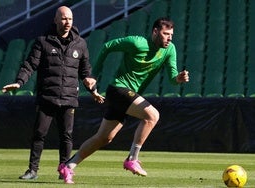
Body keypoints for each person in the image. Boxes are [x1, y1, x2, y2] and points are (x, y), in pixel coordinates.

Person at [58, 17, 189, 184]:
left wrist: (178, 78)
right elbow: (107, 46)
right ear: (155, 32)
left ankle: (68, 166)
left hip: (127, 95)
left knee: (104, 138)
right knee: (152, 116)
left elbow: (172, 77)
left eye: (171, 34)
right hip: (118, 90)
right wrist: (93, 74)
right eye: (165, 34)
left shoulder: (170, 49)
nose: (169, 38)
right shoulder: (137, 42)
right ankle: (132, 159)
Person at [2, 6, 104, 180]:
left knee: (66, 136)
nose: (67, 22)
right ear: (56, 20)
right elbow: (29, 65)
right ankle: (32, 171)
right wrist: (19, 82)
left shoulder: (80, 43)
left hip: (69, 98)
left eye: (70, 19)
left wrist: (92, 89)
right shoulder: (43, 41)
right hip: (47, 96)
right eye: (64, 19)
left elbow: (86, 72)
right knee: (39, 134)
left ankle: (64, 170)